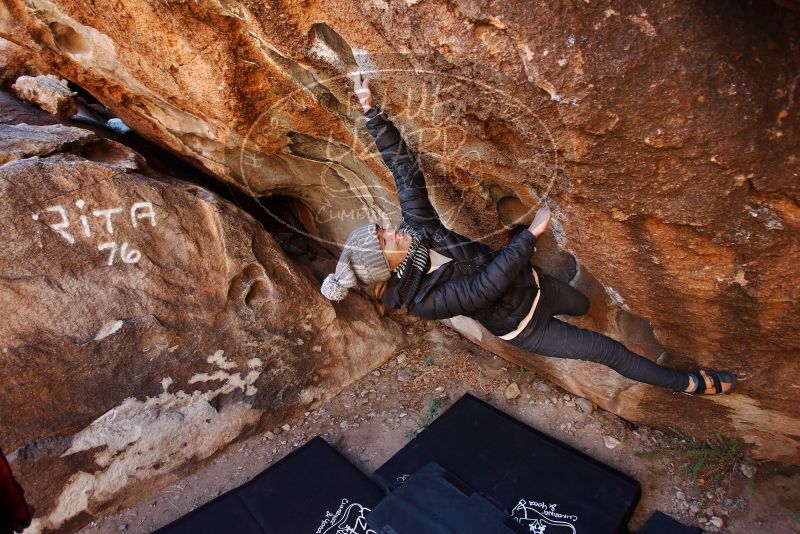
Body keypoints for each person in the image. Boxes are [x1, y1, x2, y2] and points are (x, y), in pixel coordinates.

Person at [320, 73, 736, 397]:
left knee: (583, 303)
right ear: (387, 263)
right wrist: (531, 234)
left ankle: (581, 317)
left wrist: (372, 114)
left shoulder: (417, 230)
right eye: (386, 237)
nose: (394, 230)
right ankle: (687, 384)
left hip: (535, 283)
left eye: (383, 227)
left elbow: (405, 173)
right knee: (607, 352)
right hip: (525, 327)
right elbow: (484, 287)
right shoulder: (422, 303)